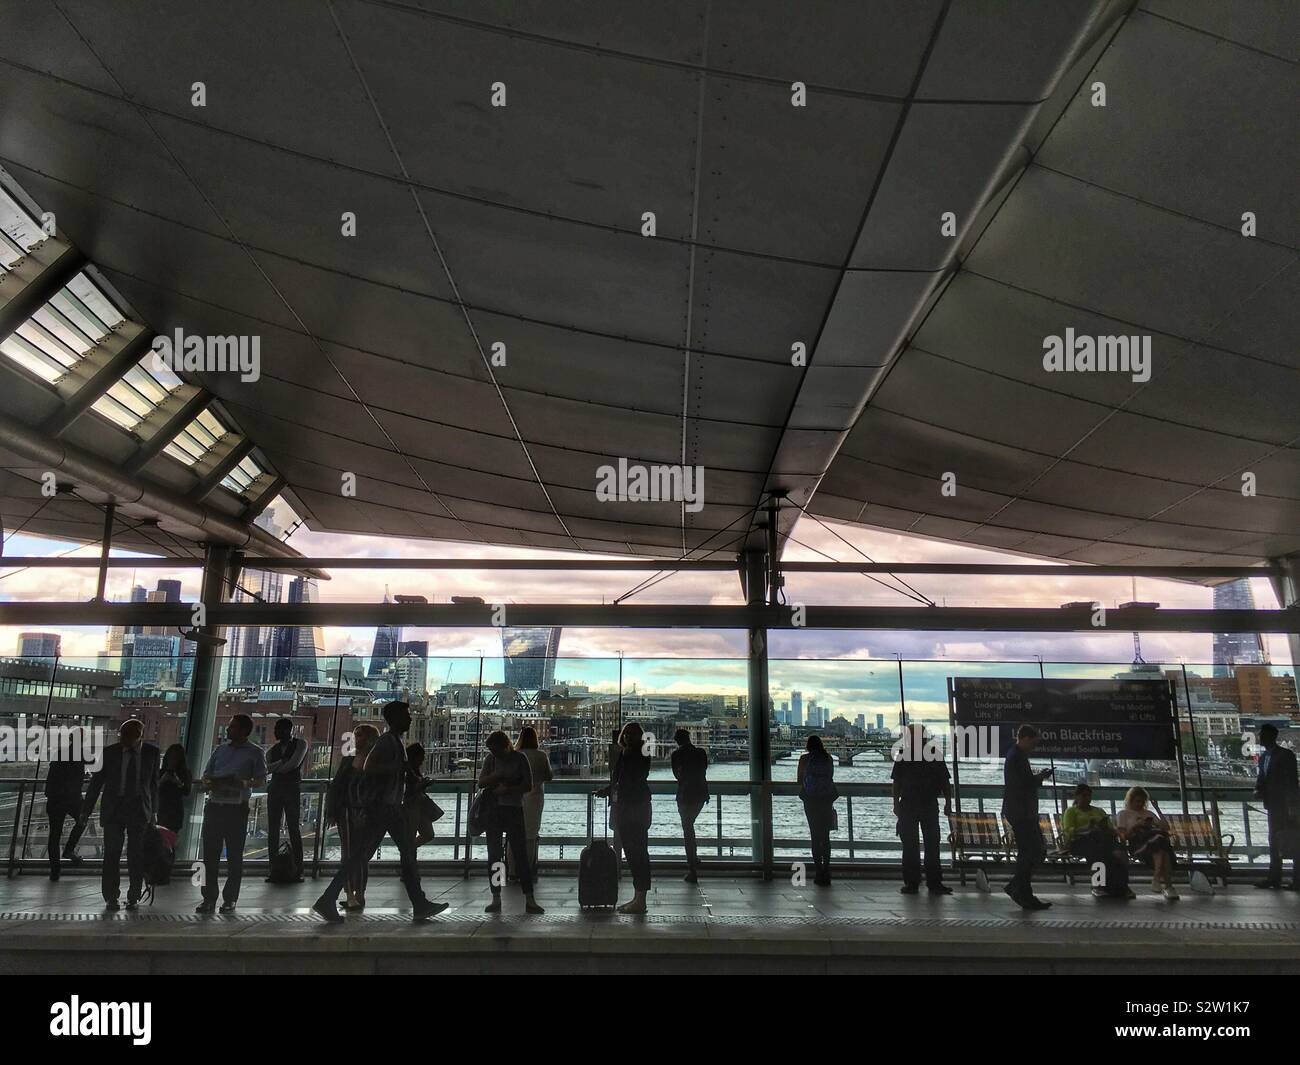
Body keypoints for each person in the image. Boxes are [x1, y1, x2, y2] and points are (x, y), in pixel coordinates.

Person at [313, 703, 447, 923]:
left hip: (386, 807)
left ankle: (328, 899)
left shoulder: (394, 742)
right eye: (406, 715)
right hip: (384, 808)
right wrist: (397, 768)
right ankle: (419, 904)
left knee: (373, 855)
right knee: (395, 854)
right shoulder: (387, 742)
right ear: (394, 718)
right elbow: (370, 767)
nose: (410, 719)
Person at [78, 719, 160, 910]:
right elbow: (96, 783)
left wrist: (154, 812)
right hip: (115, 809)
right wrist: (86, 810)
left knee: (136, 854)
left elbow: (154, 785)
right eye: (121, 735)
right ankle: (111, 896)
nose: (123, 739)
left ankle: (134, 894)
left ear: (139, 736)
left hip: (139, 810)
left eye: (127, 736)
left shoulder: (151, 753)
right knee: (112, 854)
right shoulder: (110, 752)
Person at [196, 714, 266, 914]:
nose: (228, 730)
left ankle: (230, 899)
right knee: (209, 856)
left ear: (244, 730)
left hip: (237, 807)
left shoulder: (255, 753)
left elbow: (260, 779)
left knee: (235, 856)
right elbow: (206, 774)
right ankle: (208, 898)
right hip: (215, 805)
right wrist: (208, 782)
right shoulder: (220, 750)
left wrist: (244, 783)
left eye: (232, 727)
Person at [478, 730, 542, 913]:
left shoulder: (519, 759)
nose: (494, 754)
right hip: (504, 809)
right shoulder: (494, 759)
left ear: (507, 746)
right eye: (492, 751)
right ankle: (507, 897)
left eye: (497, 750)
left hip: (508, 810)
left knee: (516, 854)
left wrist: (506, 788)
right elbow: (481, 782)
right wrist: (499, 778)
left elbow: (527, 785)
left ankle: (510, 898)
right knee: (498, 854)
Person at [890, 724, 952, 895]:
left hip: (910, 804)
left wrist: (895, 803)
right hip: (928, 803)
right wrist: (948, 802)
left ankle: (912, 882)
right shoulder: (934, 754)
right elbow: (945, 781)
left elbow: (896, 783)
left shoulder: (904, 754)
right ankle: (934, 882)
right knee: (932, 844)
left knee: (911, 845)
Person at [325, 723, 378, 911]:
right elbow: (337, 785)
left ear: (370, 738)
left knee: (360, 855)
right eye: (355, 735)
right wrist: (332, 811)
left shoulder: (371, 760)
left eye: (360, 735)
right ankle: (350, 895)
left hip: (363, 812)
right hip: (347, 811)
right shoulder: (351, 759)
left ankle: (359, 893)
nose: (356, 738)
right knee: (349, 853)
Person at [1002, 724, 1054, 910]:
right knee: (1033, 851)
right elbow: (1023, 783)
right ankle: (1019, 888)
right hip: (1022, 812)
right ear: (1024, 738)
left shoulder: (1014, 755)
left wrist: (1037, 778)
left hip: (1020, 811)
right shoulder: (1017, 756)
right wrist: (1039, 777)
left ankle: (1021, 890)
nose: (1034, 747)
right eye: (1033, 742)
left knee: (1030, 851)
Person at [605, 721, 652, 913]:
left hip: (630, 806)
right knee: (637, 852)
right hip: (637, 805)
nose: (627, 737)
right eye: (626, 734)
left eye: (631, 734)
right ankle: (638, 898)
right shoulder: (640, 754)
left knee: (635, 852)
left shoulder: (633, 755)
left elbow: (625, 780)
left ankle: (640, 900)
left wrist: (610, 790)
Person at [1060, 783, 1132, 899]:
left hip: (1101, 840)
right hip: (1080, 841)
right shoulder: (1071, 811)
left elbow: (1110, 828)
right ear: (1077, 797)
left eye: (1089, 796)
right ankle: (1101, 885)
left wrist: (1108, 830)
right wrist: (1088, 827)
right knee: (1100, 851)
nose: (1087, 798)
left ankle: (1117, 885)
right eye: (1084, 796)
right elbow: (1069, 830)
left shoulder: (1099, 811)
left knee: (1115, 853)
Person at [1252, 724, 1299, 890]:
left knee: (1292, 841)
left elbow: (1291, 782)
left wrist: (1293, 805)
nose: (1260, 737)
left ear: (1271, 736)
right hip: (1273, 805)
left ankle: (1295, 879)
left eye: (1262, 735)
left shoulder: (1285, 755)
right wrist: (1258, 789)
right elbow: (1262, 777)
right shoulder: (1265, 756)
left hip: (1285, 807)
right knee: (1275, 840)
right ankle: (1274, 877)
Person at [1116, 786, 1179, 900]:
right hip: (1138, 845)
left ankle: (1157, 879)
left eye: (1142, 801)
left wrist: (1157, 809)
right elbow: (1123, 836)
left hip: (1154, 844)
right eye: (1137, 801)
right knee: (1161, 844)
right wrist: (1136, 825)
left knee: (1160, 847)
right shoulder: (1123, 814)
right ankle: (1168, 887)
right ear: (1130, 800)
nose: (1140, 804)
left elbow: (1165, 828)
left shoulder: (1149, 813)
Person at [265, 717, 307, 882]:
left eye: (278, 729)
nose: (275, 732)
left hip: (286, 788)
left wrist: (277, 765)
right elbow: (269, 768)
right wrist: (283, 762)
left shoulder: (300, 744)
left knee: (293, 829)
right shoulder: (275, 749)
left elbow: (292, 765)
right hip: (282, 788)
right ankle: (275, 869)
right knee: (274, 831)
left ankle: (297, 869)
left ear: (287, 730)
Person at [798, 735, 837, 886]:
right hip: (826, 800)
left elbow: (799, 780)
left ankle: (818, 871)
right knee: (825, 837)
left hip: (811, 800)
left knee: (815, 836)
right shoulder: (828, 758)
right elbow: (830, 777)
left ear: (808, 746)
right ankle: (827, 870)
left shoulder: (804, 759)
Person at [671, 728, 709, 883]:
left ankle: (692, 866)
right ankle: (693, 858)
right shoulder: (701, 753)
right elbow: (703, 770)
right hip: (700, 794)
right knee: (689, 826)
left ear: (677, 741)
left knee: (687, 829)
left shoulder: (676, 755)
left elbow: (677, 775)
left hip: (685, 795)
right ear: (689, 738)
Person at [43, 750, 87, 881]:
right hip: (72, 799)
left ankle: (55, 871)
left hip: (55, 799)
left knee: (54, 835)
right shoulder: (80, 756)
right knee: (82, 821)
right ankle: (69, 849)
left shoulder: (60, 754)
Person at [516, 726, 553, 881]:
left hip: (516, 799)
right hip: (535, 798)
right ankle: (528, 870)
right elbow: (549, 776)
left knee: (515, 835)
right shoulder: (541, 755)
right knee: (531, 836)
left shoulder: (516, 755)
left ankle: (512, 871)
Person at [404, 742, 435, 848]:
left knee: (427, 834)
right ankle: (410, 852)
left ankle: (410, 850)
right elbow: (408, 791)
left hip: (417, 806)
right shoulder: (408, 771)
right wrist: (423, 784)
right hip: (412, 806)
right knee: (423, 834)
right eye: (421, 757)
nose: (423, 760)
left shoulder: (411, 770)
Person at [157, 743, 191, 834]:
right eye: (171, 757)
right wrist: (162, 780)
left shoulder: (185, 773)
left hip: (175, 811)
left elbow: (187, 791)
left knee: (170, 838)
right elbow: (153, 789)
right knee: (157, 838)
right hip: (160, 808)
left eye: (175, 758)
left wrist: (178, 782)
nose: (172, 760)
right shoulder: (160, 772)